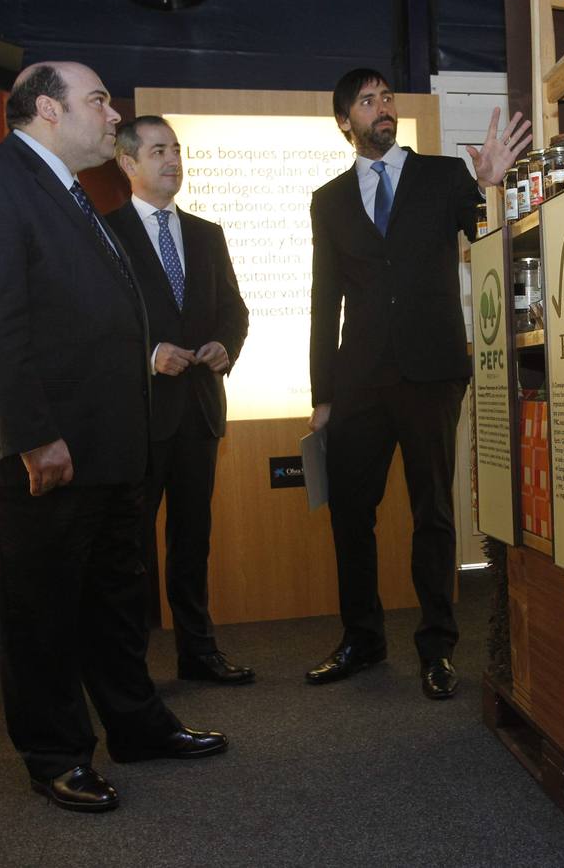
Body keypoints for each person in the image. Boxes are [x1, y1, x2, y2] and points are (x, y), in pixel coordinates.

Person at [0, 62, 227, 814]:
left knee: (111, 606)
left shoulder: (72, 193)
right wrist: (32, 437)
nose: (114, 111)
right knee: (38, 615)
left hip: (104, 452)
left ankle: (136, 725)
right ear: (48, 110)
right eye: (99, 99)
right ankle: (56, 753)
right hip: (35, 456)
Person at [306, 68, 530, 699]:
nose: (382, 108)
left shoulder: (445, 175)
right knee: (351, 514)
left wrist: (490, 186)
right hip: (357, 381)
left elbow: (490, 244)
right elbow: (324, 301)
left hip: (431, 372)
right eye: (367, 101)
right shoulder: (328, 200)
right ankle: (362, 639)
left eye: (387, 98)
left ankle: (437, 647)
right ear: (344, 121)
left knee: (432, 512)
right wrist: (321, 394)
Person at [105, 116, 253, 685]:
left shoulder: (206, 233)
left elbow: (234, 311)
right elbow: (96, 322)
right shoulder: (106, 231)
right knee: (129, 548)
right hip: (137, 417)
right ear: (127, 163)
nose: (172, 160)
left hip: (198, 411)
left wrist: (224, 346)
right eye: (158, 150)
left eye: (177, 149)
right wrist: (148, 354)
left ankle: (199, 653)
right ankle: (129, 666)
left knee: (193, 540)